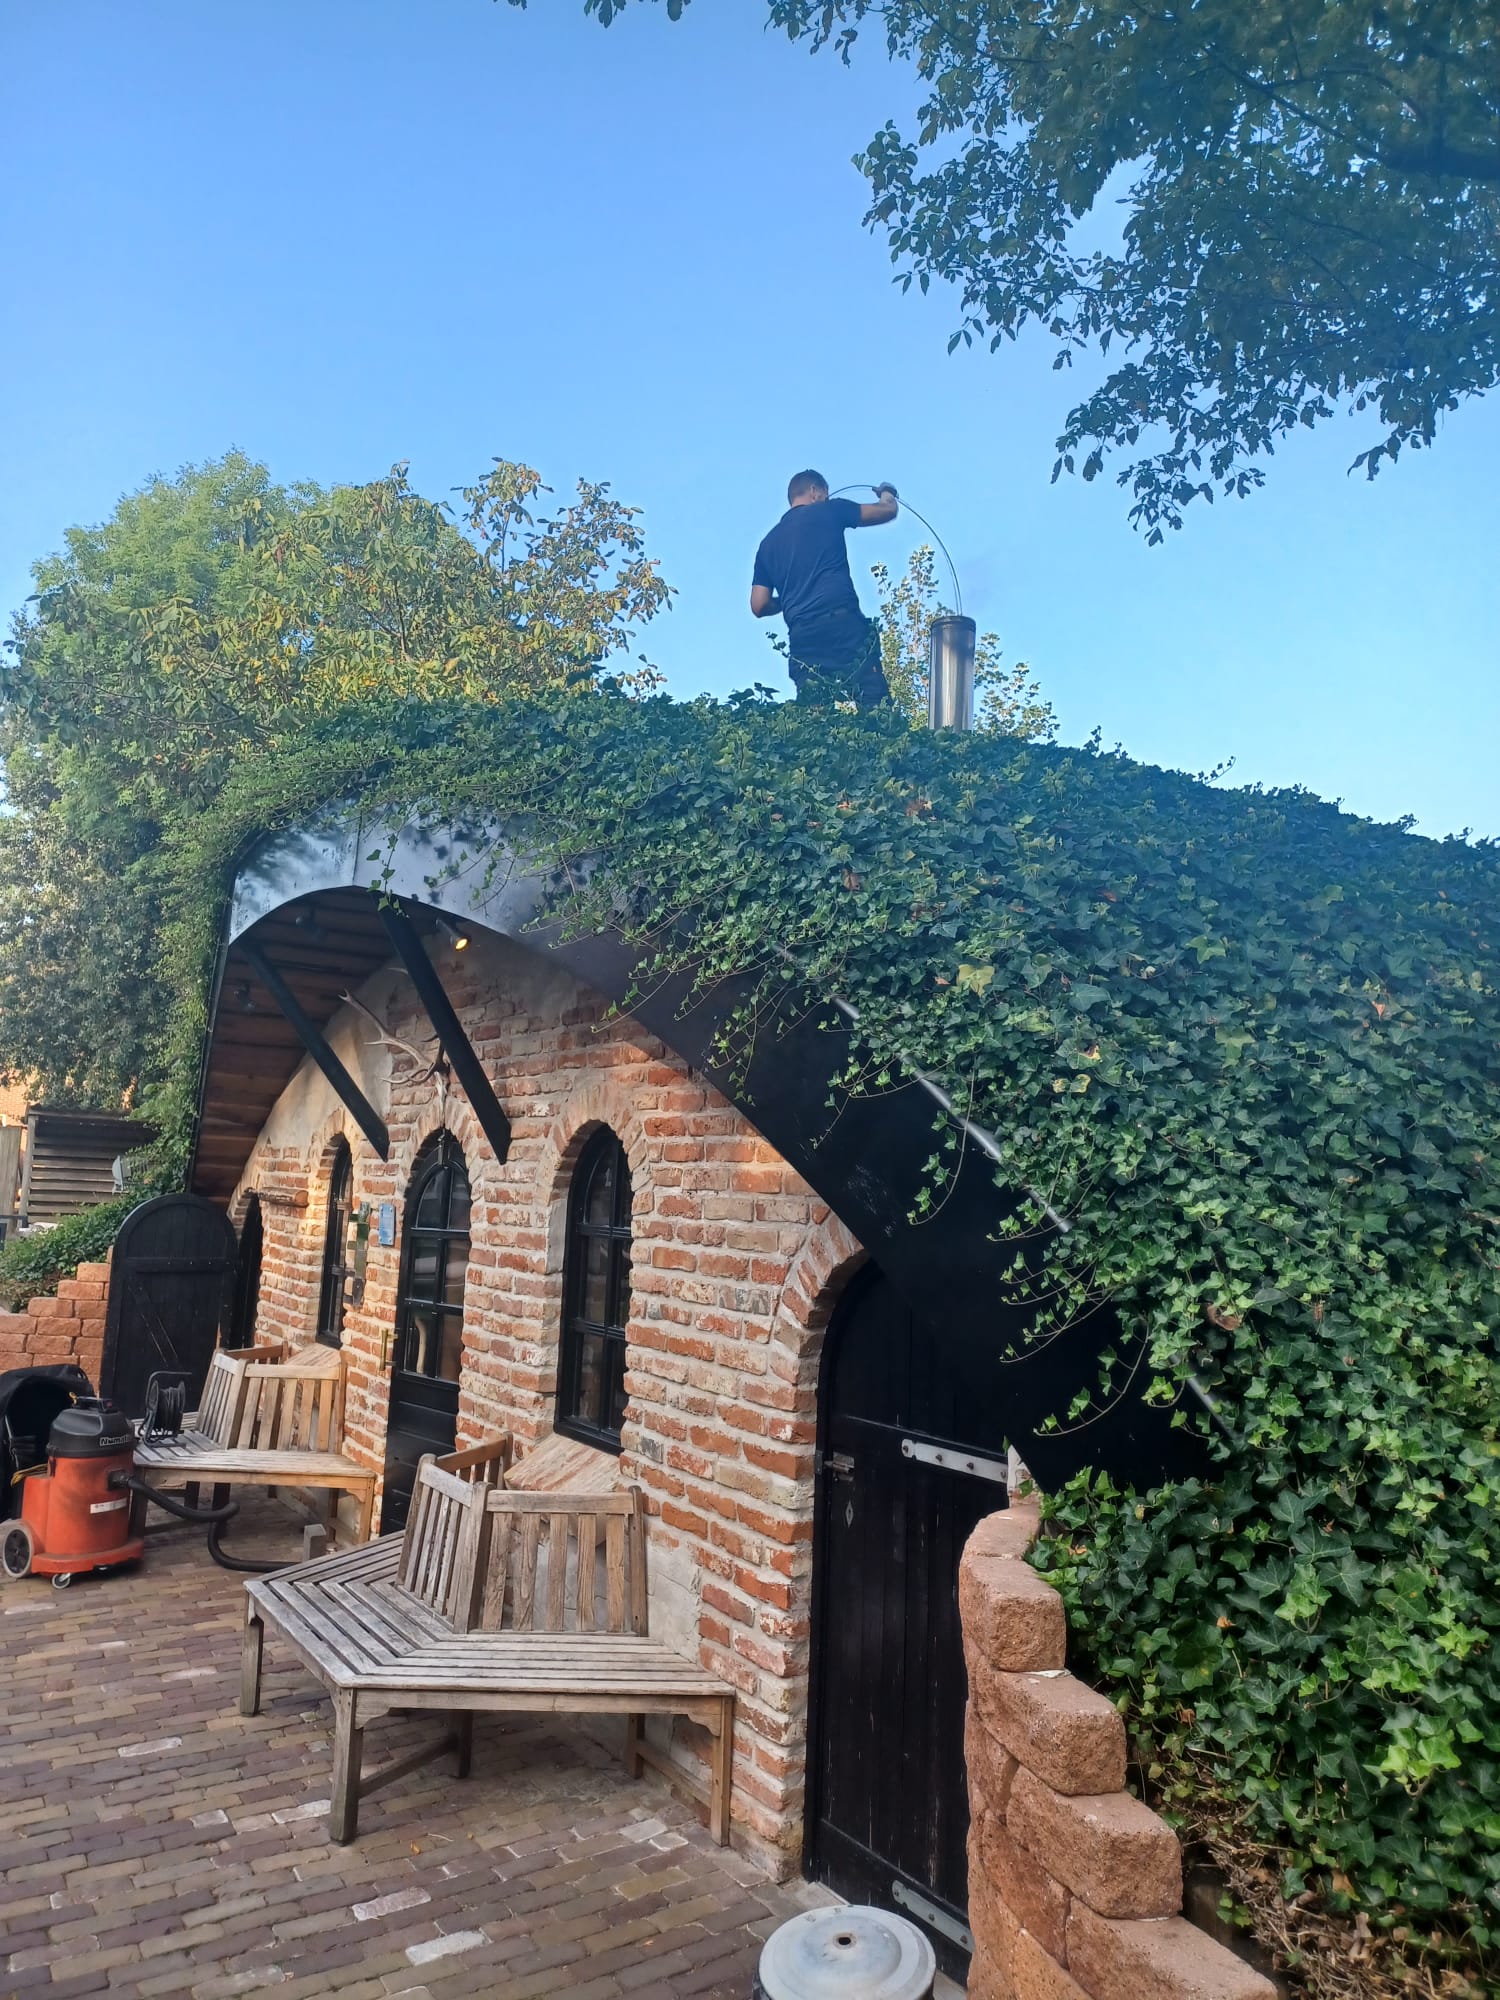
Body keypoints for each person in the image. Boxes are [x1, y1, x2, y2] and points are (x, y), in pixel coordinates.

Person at [751, 471, 899, 707]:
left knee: (815, 716)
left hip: (803, 636)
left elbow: (758, 604)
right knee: (875, 707)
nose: (827, 498)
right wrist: (887, 493)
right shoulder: (830, 510)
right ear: (814, 491)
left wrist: (788, 599)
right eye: (825, 494)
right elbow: (887, 511)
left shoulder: (767, 544)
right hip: (843, 626)